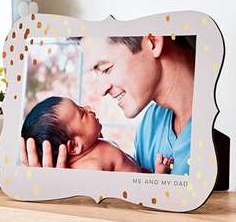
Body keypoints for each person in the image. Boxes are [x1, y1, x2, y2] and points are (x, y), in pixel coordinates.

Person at [20, 34, 194, 174]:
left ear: (153, 41)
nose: (101, 91)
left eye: (105, 69)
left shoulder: (210, 130)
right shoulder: (150, 126)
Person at [21, 96, 173, 173]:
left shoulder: (93, 147)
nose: (88, 107)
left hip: (142, 175)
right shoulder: (90, 168)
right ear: (74, 145)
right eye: (82, 112)